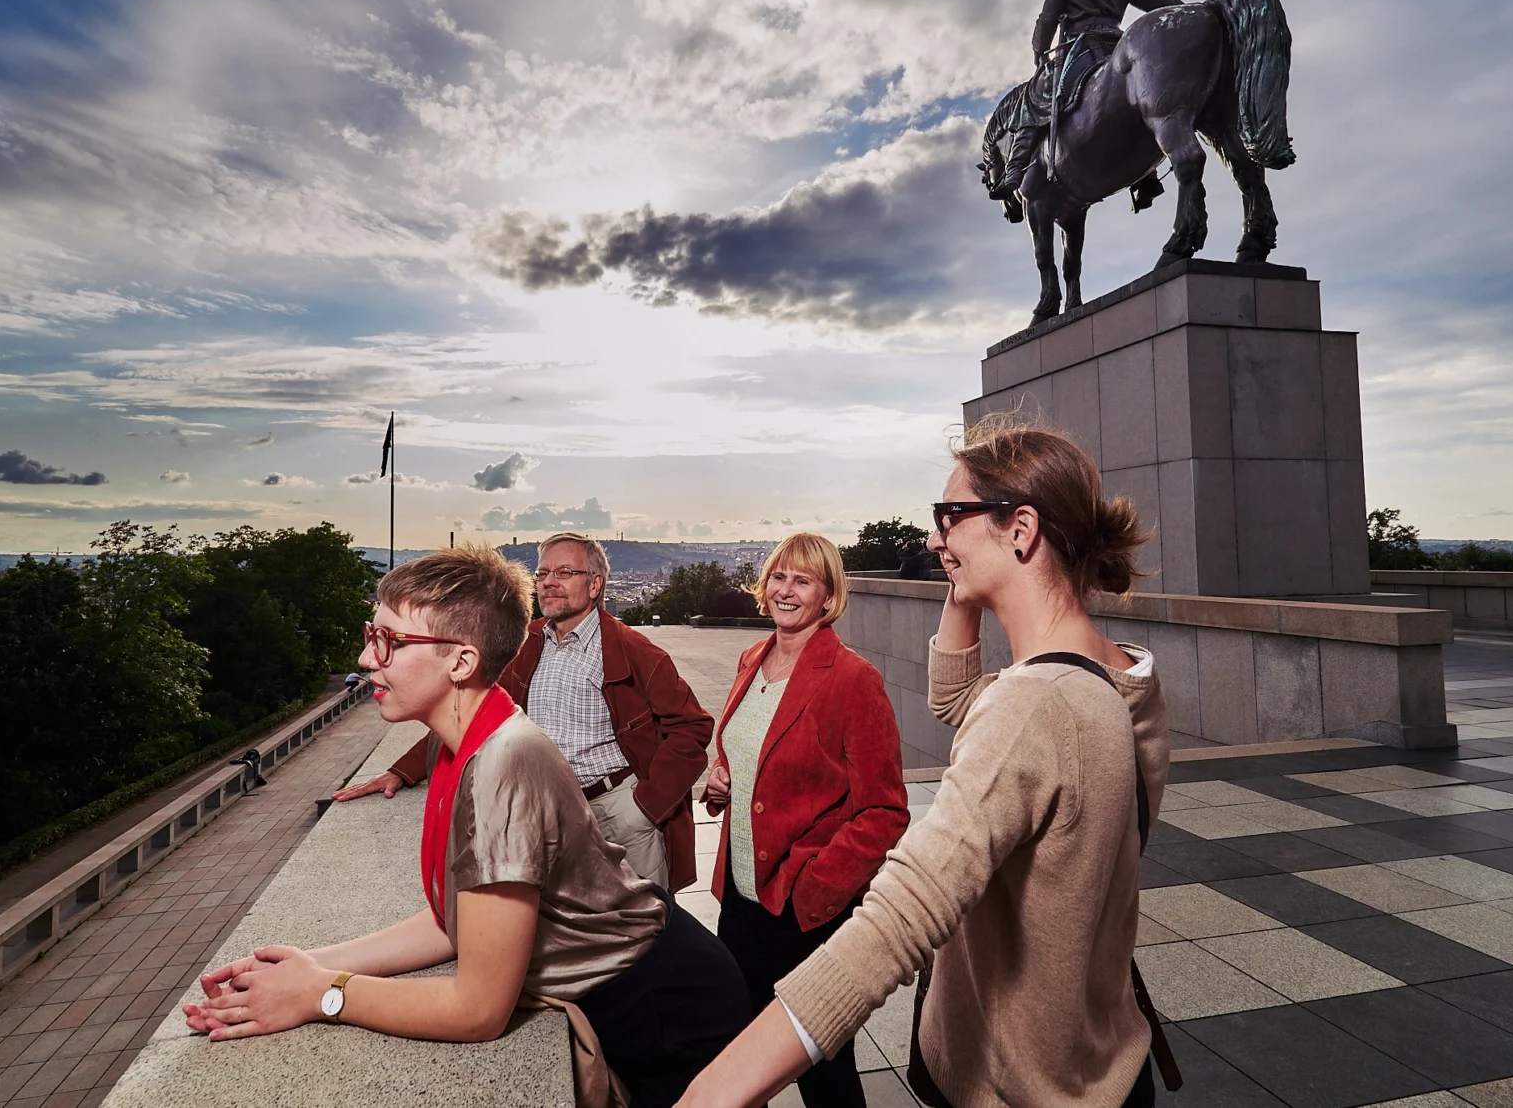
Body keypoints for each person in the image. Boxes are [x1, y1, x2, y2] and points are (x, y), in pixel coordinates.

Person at [675, 417, 1171, 1108]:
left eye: (950, 517)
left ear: (1021, 530)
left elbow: (904, 914)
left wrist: (717, 1090)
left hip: (1015, 1083)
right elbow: (956, 698)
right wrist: (966, 578)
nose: (935, 539)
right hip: (1105, 1060)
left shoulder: (1029, 710)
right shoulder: (1121, 684)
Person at [185, 547, 748, 1108]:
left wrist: (322, 996)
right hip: (642, 988)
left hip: (665, 1009)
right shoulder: (466, 741)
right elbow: (456, 918)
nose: (364, 658)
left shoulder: (503, 765)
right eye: (370, 633)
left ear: (460, 663)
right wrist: (316, 963)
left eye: (390, 641)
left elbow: (478, 1010)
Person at [336, 532, 712, 891]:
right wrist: (403, 771)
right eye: (543, 573)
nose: (549, 582)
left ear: (595, 585)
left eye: (564, 572)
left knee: (648, 928)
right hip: (548, 809)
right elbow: (473, 712)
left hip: (615, 808)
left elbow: (692, 728)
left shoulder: (635, 650)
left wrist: (643, 807)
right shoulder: (527, 644)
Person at [701, 533, 908, 1108]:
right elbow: (749, 755)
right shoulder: (752, 659)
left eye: (803, 580)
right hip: (741, 898)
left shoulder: (851, 679)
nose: (785, 591)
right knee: (741, 1049)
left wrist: (816, 886)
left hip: (802, 907)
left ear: (827, 596)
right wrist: (721, 781)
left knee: (823, 1066)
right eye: (778, 577)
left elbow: (886, 809)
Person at [986, 0, 1181, 220]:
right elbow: (1163, 2)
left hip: (1077, 50)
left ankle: (1015, 168)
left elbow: (1047, 20)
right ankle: (1146, 178)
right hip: (1116, 45)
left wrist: (1039, 52)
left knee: (1030, 97)